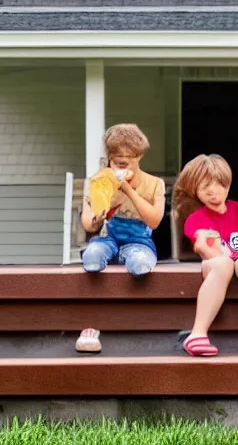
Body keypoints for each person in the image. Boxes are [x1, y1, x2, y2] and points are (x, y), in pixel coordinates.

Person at [76, 123, 165, 353]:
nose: (122, 163)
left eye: (128, 160)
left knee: (140, 262)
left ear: (140, 157)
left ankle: (134, 262)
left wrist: (128, 190)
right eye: (117, 160)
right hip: (109, 237)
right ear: (109, 159)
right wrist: (100, 209)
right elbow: (89, 224)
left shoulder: (155, 184)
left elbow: (154, 221)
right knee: (93, 256)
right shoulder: (98, 182)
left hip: (139, 241)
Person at [172, 154, 238, 357]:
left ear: (228, 186)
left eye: (220, 186)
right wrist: (208, 249)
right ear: (195, 190)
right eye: (205, 187)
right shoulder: (196, 217)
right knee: (223, 263)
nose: (214, 193)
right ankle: (198, 334)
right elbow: (202, 246)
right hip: (214, 264)